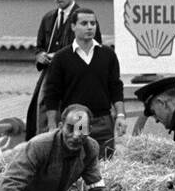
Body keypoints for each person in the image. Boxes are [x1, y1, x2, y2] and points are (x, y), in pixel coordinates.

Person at [41, 8, 126, 158]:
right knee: (77, 164)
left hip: (103, 120)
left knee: (105, 165)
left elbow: (116, 87)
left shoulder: (108, 55)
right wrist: (52, 124)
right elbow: (52, 93)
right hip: (76, 119)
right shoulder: (61, 58)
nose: (89, 27)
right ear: (73, 26)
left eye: (93, 23)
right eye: (84, 23)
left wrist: (120, 115)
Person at [28, 0, 102, 140]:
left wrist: (64, 57)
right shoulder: (48, 18)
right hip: (50, 77)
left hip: (75, 80)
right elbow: (38, 47)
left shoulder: (86, 18)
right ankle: (46, 147)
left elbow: (94, 50)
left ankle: (79, 150)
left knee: (77, 118)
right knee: (43, 114)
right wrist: (40, 56)